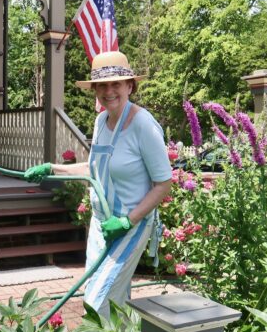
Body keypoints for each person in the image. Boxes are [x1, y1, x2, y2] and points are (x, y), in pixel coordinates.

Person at [24, 51, 172, 316]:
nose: (108, 91)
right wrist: (51, 168)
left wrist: (127, 221)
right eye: (101, 85)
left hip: (131, 225)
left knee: (97, 299)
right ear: (94, 89)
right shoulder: (100, 121)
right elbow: (93, 169)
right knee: (113, 297)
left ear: (130, 86)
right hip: (101, 223)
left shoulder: (143, 125)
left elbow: (163, 184)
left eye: (116, 83)